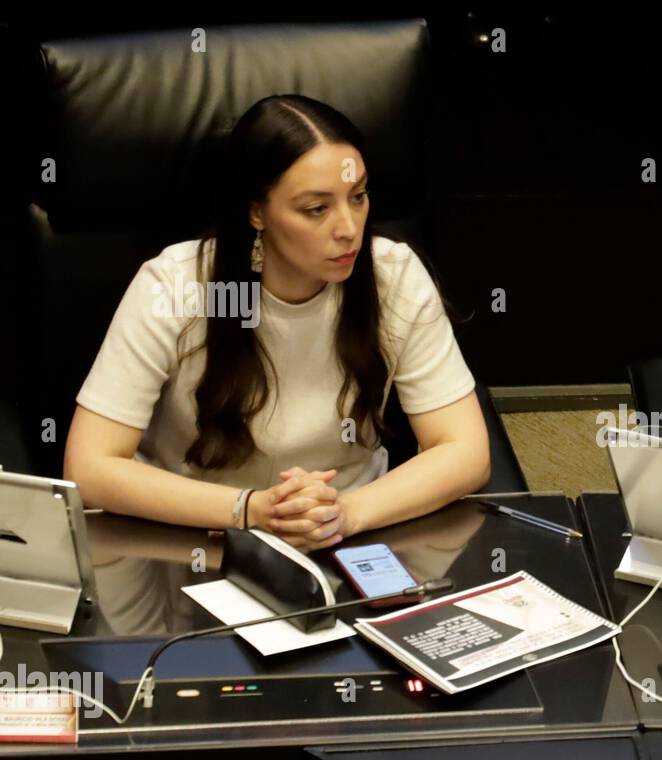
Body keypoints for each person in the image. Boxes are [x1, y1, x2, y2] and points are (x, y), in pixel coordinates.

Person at [65, 95, 490, 552]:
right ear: (256, 212)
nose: (349, 228)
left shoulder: (394, 276)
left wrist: (345, 513)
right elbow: (89, 467)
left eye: (359, 196)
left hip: (352, 536)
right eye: (316, 209)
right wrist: (251, 510)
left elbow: (465, 450)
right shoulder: (178, 286)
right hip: (191, 540)